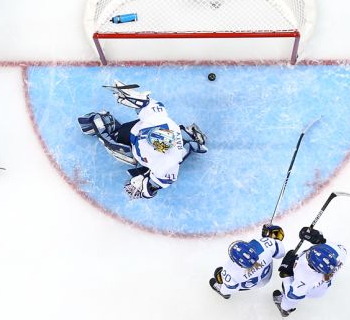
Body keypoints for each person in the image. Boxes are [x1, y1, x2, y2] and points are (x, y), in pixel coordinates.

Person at [77, 80, 207, 199]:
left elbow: (154, 187)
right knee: (110, 132)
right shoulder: (158, 120)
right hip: (134, 131)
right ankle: (109, 127)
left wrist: (144, 188)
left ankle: (106, 127)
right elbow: (146, 103)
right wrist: (134, 98)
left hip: (139, 152)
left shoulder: (166, 164)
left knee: (118, 149)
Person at [272, 227, 347, 317]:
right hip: (322, 285)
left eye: (309, 254)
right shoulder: (338, 254)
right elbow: (342, 249)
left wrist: (286, 273)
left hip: (313, 291)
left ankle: (285, 310)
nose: (308, 252)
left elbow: (291, 295)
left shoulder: (306, 279)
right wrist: (318, 238)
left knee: (288, 301)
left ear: (312, 264)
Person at [208, 225, 286, 299]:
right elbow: (281, 253)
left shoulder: (229, 271)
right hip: (267, 277)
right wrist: (269, 235)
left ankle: (222, 290)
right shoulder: (263, 245)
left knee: (220, 278)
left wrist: (223, 286)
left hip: (255, 285)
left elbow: (230, 288)